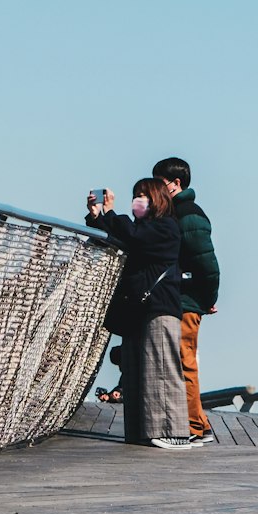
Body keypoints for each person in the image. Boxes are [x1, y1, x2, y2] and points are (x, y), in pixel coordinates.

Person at [86, 178, 191, 448]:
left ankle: (173, 432)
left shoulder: (166, 227)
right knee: (135, 372)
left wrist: (110, 213)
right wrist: (97, 217)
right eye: (136, 196)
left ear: (158, 199)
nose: (138, 200)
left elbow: (133, 237)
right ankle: (141, 432)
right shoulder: (143, 228)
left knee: (162, 370)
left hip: (159, 307)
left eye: (144, 195)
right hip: (137, 308)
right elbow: (119, 238)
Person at [151, 157, 220, 445]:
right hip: (186, 298)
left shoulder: (188, 215)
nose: (156, 189)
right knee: (183, 361)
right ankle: (200, 426)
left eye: (160, 183)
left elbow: (207, 262)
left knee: (183, 363)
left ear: (176, 183)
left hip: (187, 300)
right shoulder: (179, 213)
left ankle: (190, 427)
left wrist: (207, 298)